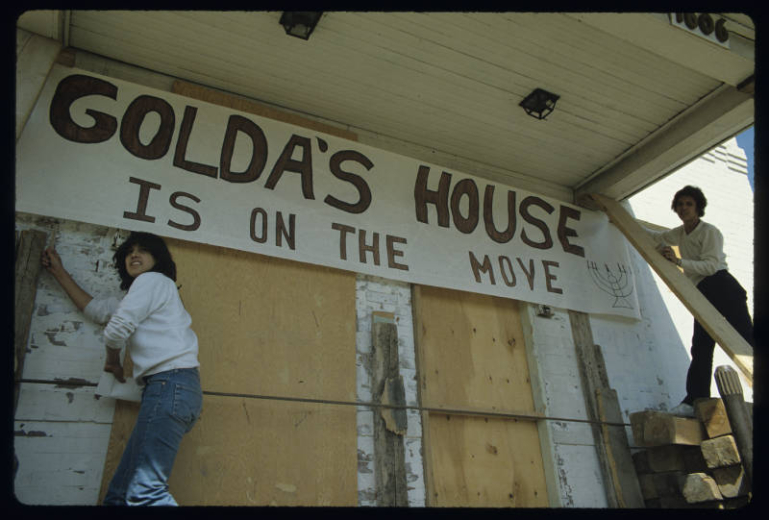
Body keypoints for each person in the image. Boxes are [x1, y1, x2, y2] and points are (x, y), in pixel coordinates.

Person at [41, 231, 202, 505]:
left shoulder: (153, 281)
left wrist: (113, 360)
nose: (134, 255)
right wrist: (59, 271)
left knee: (145, 494)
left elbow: (116, 331)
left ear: (158, 259)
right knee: (119, 496)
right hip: (174, 391)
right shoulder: (143, 294)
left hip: (169, 387)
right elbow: (97, 310)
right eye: (129, 251)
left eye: (142, 250)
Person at [647, 185, 754, 417]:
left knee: (745, 337)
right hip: (702, 291)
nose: (684, 208)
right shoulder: (679, 232)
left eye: (689, 204)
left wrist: (678, 261)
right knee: (701, 347)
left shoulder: (710, 232)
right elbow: (655, 236)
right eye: (680, 204)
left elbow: (711, 265)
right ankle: (694, 399)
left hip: (723, 286)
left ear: (698, 208)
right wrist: (618, 221)